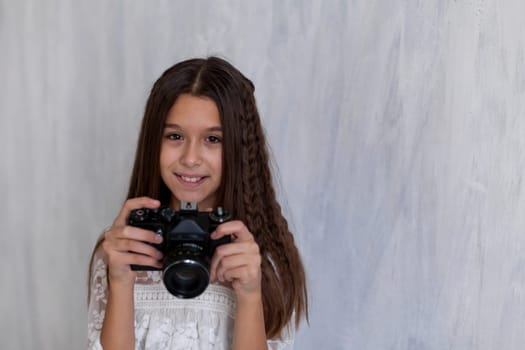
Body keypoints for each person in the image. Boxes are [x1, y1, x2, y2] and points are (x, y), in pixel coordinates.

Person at [87, 56, 308, 350]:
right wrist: (121, 281)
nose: (190, 159)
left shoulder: (263, 260)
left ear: (238, 149)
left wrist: (250, 295)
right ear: (154, 142)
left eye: (213, 139)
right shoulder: (121, 251)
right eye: (175, 136)